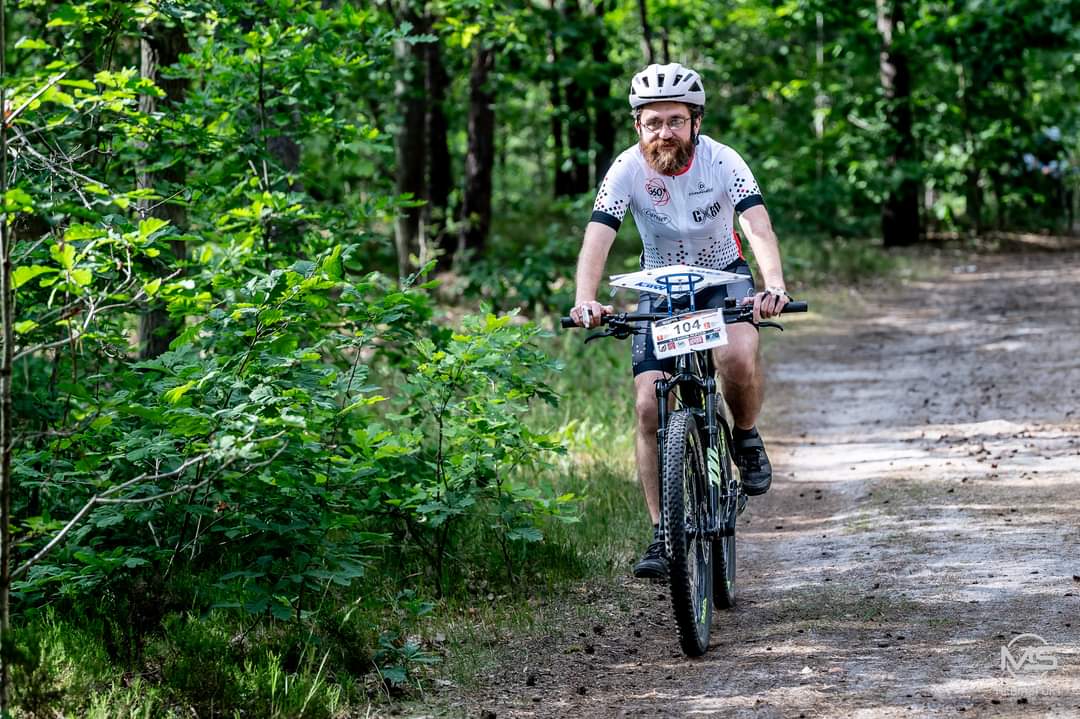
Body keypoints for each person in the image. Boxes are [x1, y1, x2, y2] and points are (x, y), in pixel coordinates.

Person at [567, 62, 790, 580]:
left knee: (736, 355)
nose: (664, 131)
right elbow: (599, 233)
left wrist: (772, 285)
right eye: (653, 122)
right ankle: (664, 535)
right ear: (638, 126)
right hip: (659, 290)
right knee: (649, 405)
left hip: (721, 278)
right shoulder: (626, 168)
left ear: (695, 121)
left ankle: (746, 434)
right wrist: (586, 297)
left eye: (674, 119)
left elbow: (755, 224)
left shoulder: (723, 160)